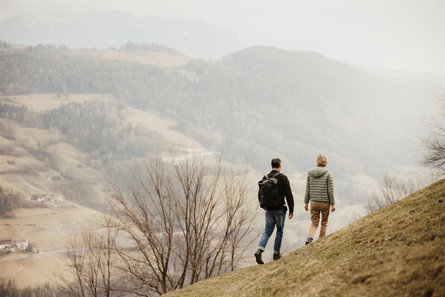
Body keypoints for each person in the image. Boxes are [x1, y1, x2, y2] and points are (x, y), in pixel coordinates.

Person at [255, 158, 294, 264]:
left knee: (267, 231)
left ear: (272, 165)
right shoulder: (283, 177)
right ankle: (276, 254)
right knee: (279, 231)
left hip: (268, 210)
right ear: (280, 166)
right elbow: (289, 195)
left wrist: (263, 205)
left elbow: (260, 194)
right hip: (279, 209)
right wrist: (291, 209)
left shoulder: (265, 178)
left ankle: (259, 250)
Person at [304, 154, 336, 245]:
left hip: (314, 202)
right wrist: (333, 204)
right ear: (325, 162)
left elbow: (307, 189)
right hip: (325, 202)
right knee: (324, 222)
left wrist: (306, 202)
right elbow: (331, 191)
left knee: (314, 223)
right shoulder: (328, 174)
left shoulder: (310, 174)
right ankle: (321, 241)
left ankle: (309, 238)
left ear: (317, 162)